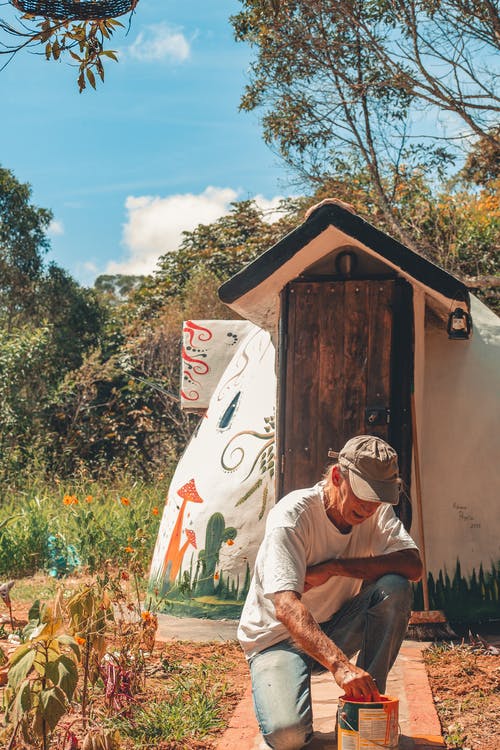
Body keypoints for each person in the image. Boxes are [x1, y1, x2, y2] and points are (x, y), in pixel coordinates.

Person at [238, 434, 423, 750]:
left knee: (395, 588)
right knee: (288, 737)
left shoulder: (375, 510)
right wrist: (340, 665)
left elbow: (413, 566)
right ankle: (296, 705)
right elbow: (285, 607)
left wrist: (335, 567)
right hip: (277, 640)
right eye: (363, 495)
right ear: (338, 477)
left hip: (335, 627)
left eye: (378, 497)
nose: (369, 507)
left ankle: (364, 708)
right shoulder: (292, 517)